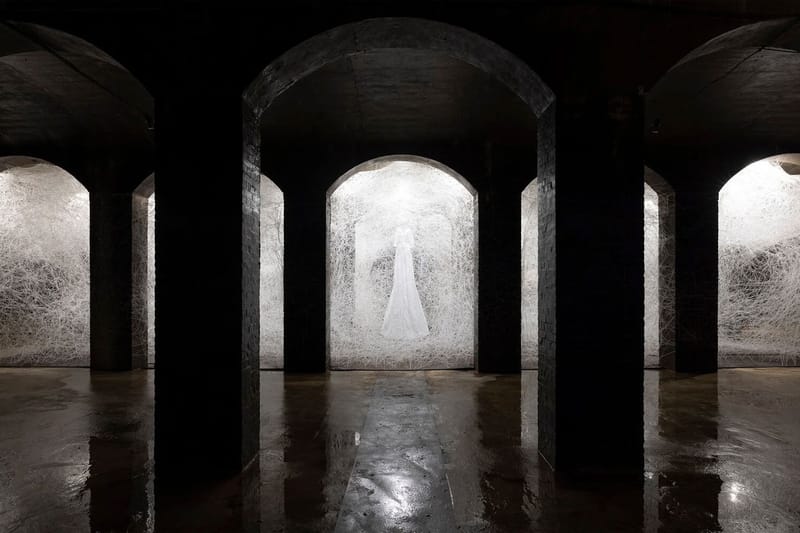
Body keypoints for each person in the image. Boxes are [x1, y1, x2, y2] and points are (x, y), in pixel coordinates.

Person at [381, 225, 429, 339]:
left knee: (408, 278)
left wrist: (405, 247)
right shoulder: (397, 230)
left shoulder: (409, 230)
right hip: (399, 255)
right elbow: (395, 243)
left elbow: (411, 244)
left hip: (407, 254)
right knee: (399, 279)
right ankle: (396, 325)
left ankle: (414, 325)